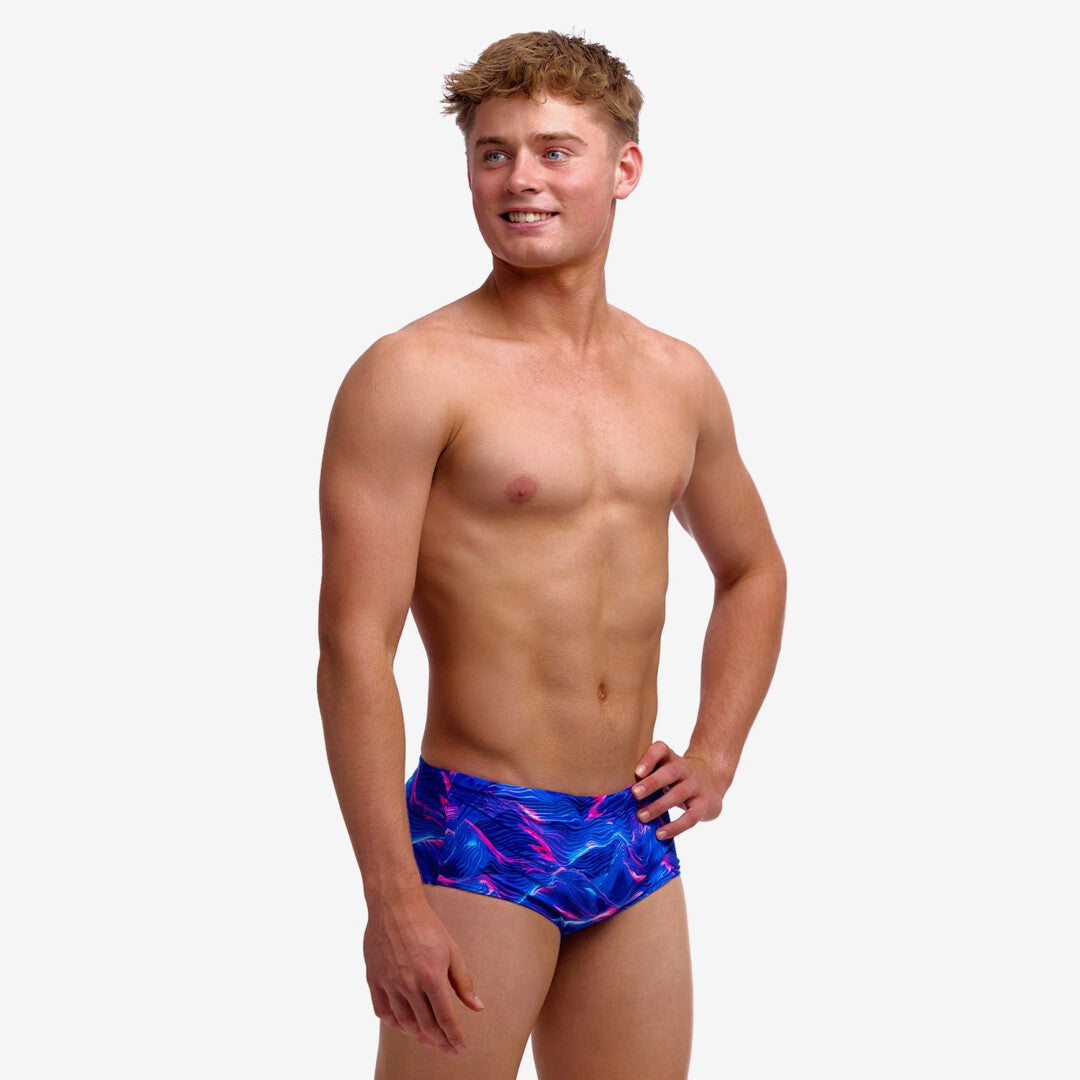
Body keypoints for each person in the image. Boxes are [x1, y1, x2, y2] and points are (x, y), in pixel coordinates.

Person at [317, 29, 786, 1080]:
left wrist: (715, 753)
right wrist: (390, 897)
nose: (519, 179)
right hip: (480, 838)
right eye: (493, 153)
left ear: (624, 169)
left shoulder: (677, 377)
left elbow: (754, 569)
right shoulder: (413, 374)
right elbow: (353, 646)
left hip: (631, 839)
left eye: (554, 151)